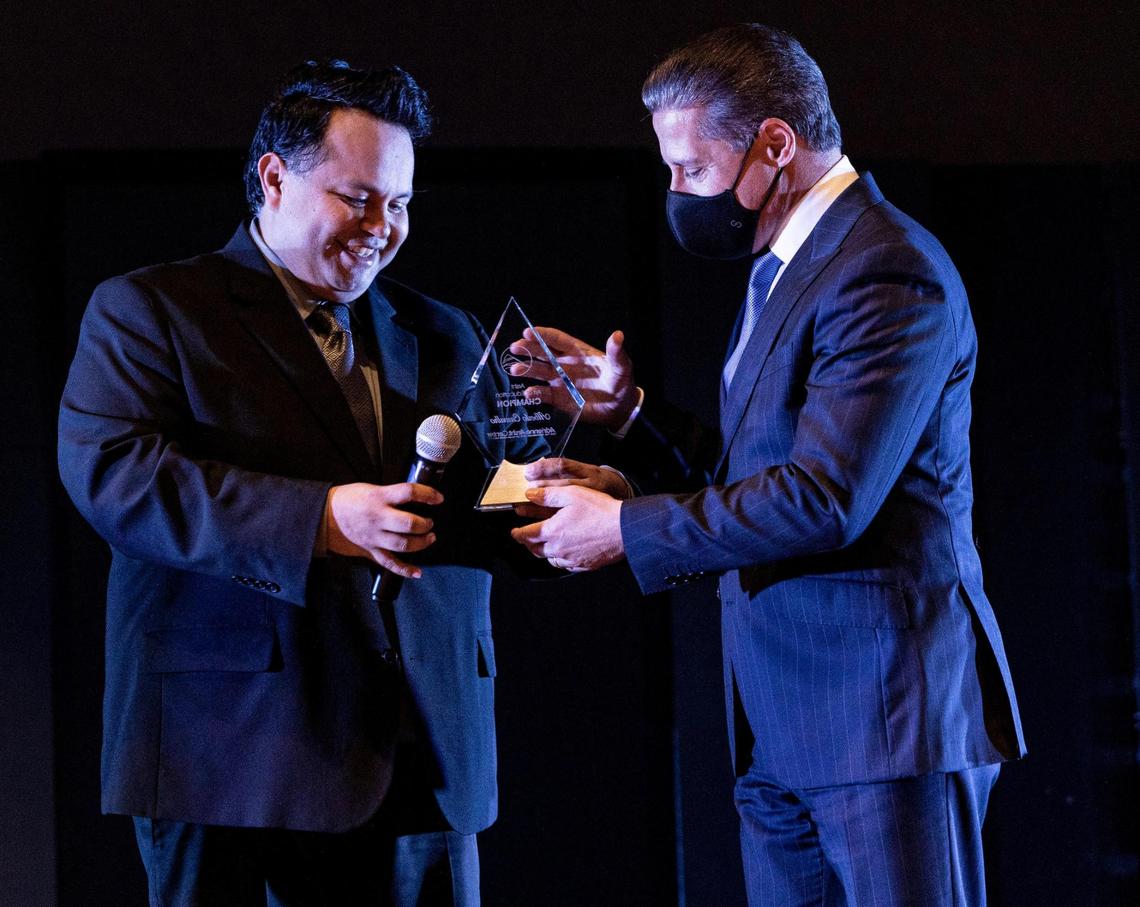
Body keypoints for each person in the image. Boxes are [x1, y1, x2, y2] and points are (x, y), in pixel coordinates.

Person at [57, 59, 622, 906]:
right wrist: (321, 517)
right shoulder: (151, 311)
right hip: (237, 764)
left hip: (423, 754)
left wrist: (579, 494)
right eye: (357, 197)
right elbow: (116, 477)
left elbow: (488, 508)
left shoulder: (443, 329)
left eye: (399, 203)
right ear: (273, 178)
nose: (382, 227)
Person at [511, 24, 1025, 906]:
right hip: (784, 730)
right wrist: (629, 417)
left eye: (693, 170)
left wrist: (628, 530)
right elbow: (760, 468)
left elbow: (826, 498)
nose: (676, 191)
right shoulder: (788, 268)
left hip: (882, 725)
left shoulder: (887, 270)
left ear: (775, 144)